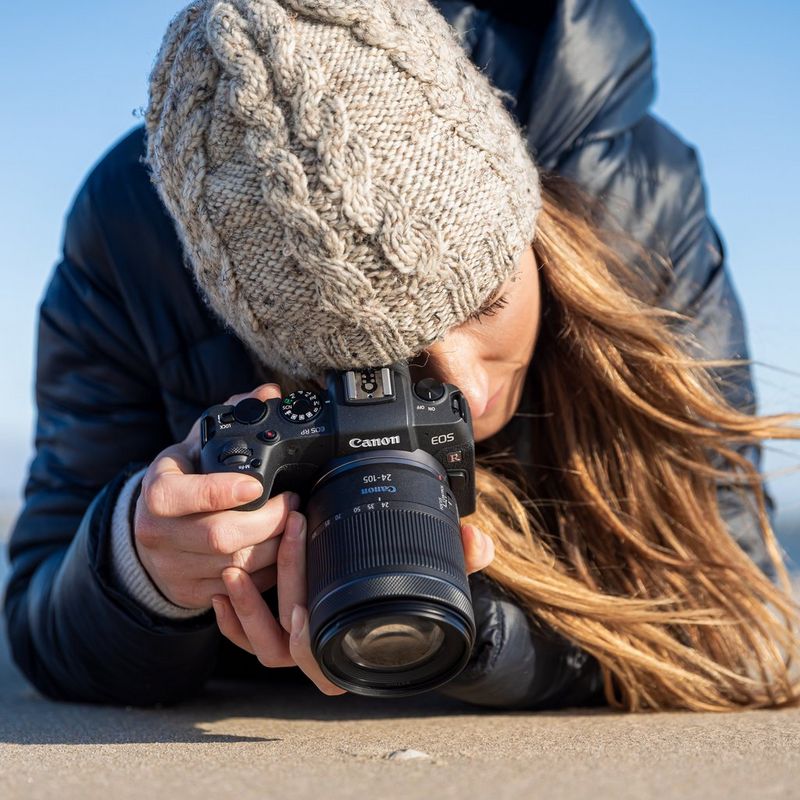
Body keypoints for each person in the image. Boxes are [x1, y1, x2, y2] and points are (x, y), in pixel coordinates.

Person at [4, 0, 800, 712]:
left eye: (487, 301)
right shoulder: (128, 239)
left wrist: (475, 632)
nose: (466, 385)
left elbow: (734, 611)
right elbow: (41, 601)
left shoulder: (638, 199)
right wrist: (140, 563)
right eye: (391, 365)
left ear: (532, 227)